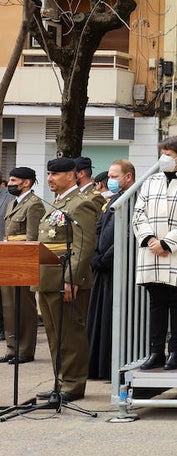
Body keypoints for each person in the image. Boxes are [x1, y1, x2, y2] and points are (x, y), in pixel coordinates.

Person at [131, 138, 177, 372]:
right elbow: (138, 214)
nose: (164, 158)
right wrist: (151, 240)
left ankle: (175, 352)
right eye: (162, 153)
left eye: (168, 154)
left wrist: (166, 243)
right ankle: (156, 351)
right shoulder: (150, 182)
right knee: (157, 303)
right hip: (152, 250)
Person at [35, 158, 100, 402]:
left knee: (70, 333)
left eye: (54, 174)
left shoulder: (81, 203)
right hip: (47, 277)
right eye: (49, 174)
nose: (49, 179)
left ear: (71, 176)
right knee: (54, 334)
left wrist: (72, 278)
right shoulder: (58, 202)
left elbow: (84, 244)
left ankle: (73, 384)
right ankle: (60, 381)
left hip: (66, 277)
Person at [88, 160, 134, 380]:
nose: (110, 181)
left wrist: (106, 258)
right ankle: (97, 367)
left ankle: (111, 367)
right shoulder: (113, 199)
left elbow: (128, 234)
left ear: (128, 177)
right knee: (99, 318)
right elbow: (99, 228)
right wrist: (95, 254)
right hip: (102, 267)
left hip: (118, 268)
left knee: (113, 320)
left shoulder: (134, 198)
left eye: (115, 177)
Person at [2, 167, 44, 365]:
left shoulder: (34, 204)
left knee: (24, 306)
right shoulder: (13, 203)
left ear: (26, 183)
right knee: (9, 305)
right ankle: (12, 347)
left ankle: (25, 349)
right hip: (9, 258)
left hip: (24, 260)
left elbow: (32, 237)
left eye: (13, 180)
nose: (10, 184)